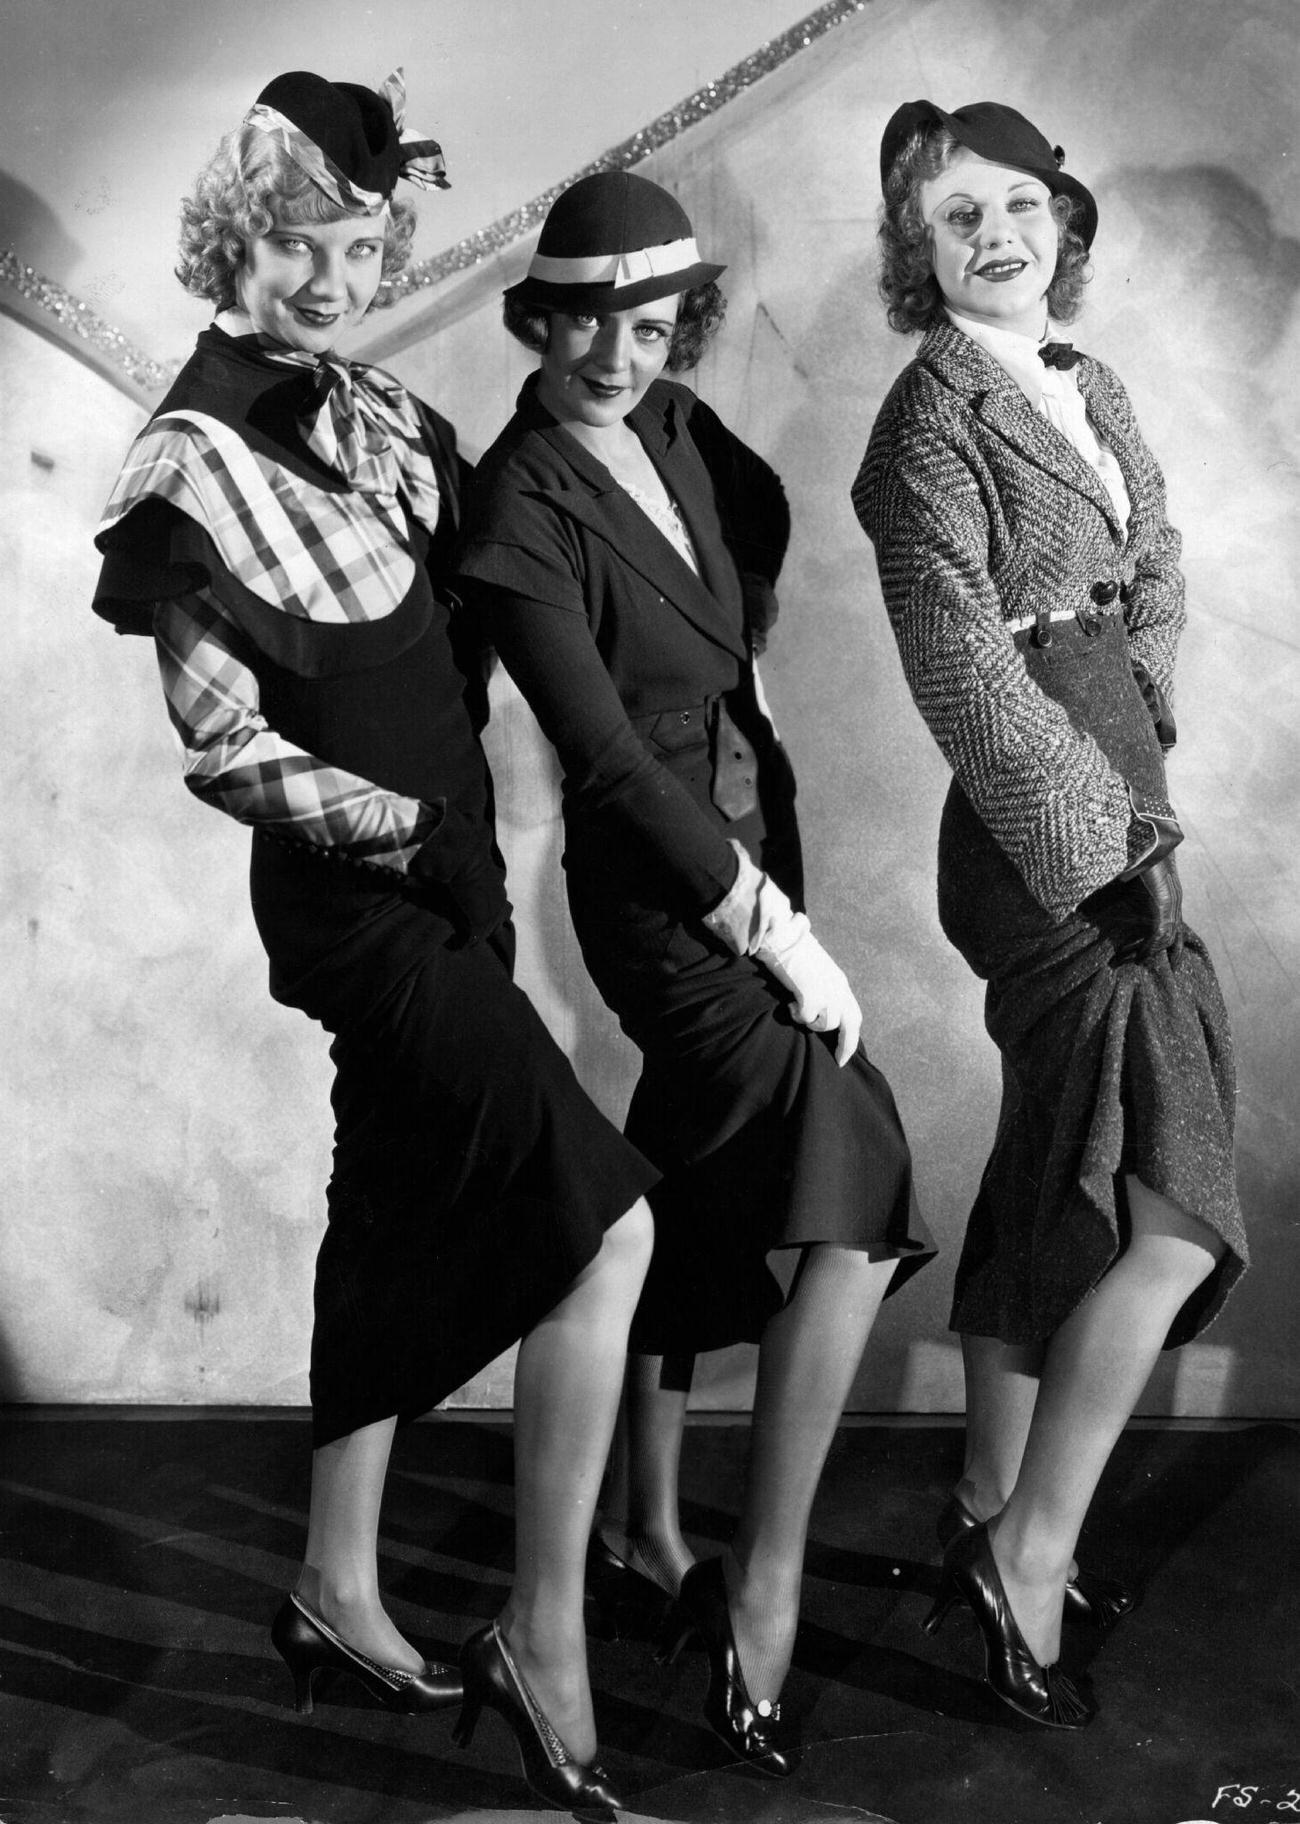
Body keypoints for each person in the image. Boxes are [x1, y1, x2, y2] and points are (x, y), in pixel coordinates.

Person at [92, 70, 658, 1818]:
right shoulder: (183, 459)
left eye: (355, 241)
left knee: (393, 1195)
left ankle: (334, 1587)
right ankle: (541, 1639)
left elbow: (490, 611)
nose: (330, 277)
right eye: (293, 244)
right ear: (229, 243)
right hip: (358, 902)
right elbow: (223, 746)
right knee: (606, 1218)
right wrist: (405, 835)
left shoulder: (391, 410)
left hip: (462, 875)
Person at [454, 170, 935, 1777]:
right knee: (853, 1176)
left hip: (752, 841)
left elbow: (737, 578)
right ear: (539, 319)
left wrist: (745, 721)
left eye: (649, 327)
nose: (616, 355)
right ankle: (766, 1589)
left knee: (701, 1183)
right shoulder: (516, 503)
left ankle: (649, 1533)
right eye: (586, 323)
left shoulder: (676, 437)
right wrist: (775, 930)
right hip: (667, 905)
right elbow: (600, 762)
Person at [853, 101, 1248, 1729]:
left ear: (1060, 223)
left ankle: (982, 1498)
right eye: (959, 219)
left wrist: (1115, 695)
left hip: (1113, 774)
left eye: (1020, 206)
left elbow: (1157, 560)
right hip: (1039, 837)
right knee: (1169, 1209)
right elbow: (960, 668)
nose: (999, 237)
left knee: (1058, 1166)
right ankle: (1027, 1552)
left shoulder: (1089, 386)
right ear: (918, 249)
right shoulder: (922, 424)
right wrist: (1104, 834)